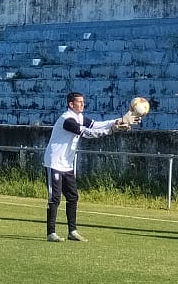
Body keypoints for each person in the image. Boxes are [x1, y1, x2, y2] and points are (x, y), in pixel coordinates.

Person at [43, 92, 128, 242]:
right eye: (79, 102)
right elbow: (87, 133)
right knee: (54, 198)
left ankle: (72, 231)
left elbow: (96, 124)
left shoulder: (79, 117)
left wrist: (120, 120)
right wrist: (112, 130)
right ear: (71, 104)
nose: (83, 104)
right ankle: (51, 233)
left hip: (67, 164)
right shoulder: (67, 119)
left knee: (73, 197)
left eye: (83, 102)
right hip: (54, 162)